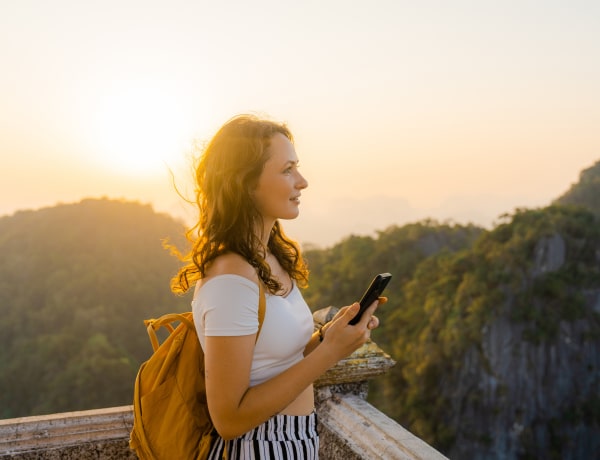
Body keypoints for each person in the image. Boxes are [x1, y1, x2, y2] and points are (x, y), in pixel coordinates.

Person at [171, 114, 381, 459]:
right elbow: (229, 418)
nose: (302, 181)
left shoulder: (267, 258)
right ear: (246, 182)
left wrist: (332, 338)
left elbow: (279, 364)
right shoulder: (231, 281)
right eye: (287, 170)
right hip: (257, 447)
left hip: (293, 441)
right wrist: (330, 353)